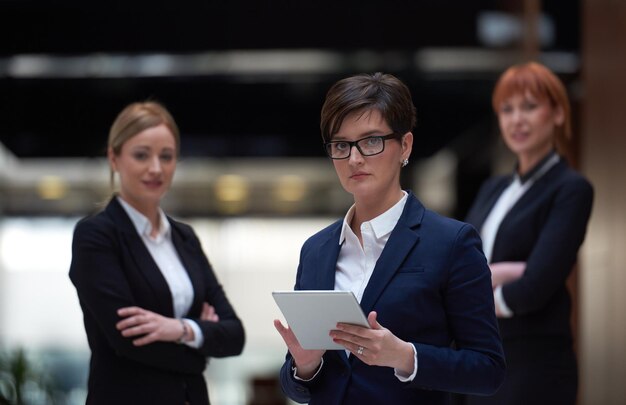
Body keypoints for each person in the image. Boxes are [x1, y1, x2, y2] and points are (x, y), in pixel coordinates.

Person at [273, 72, 506, 404]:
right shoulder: (316, 250)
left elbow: (488, 369)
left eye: (371, 141)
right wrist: (305, 367)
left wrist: (405, 357)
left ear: (405, 146)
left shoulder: (451, 243)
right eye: (341, 145)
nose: (354, 158)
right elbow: (296, 384)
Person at [69, 101, 245, 405]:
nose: (156, 168)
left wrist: (178, 329)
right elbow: (128, 341)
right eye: (141, 155)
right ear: (114, 158)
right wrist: (201, 346)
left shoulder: (184, 238)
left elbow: (234, 334)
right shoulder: (97, 236)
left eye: (166, 156)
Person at [463, 62, 594, 405]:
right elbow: (460, 267)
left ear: (558, 113)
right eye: (507, 109)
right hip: (481, 358)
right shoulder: (493, 188)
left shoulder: (571, 189)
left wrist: (474, 300)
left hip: (534, 365)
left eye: (529, 107)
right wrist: (500, 275)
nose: (516, 119)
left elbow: (535, 286)